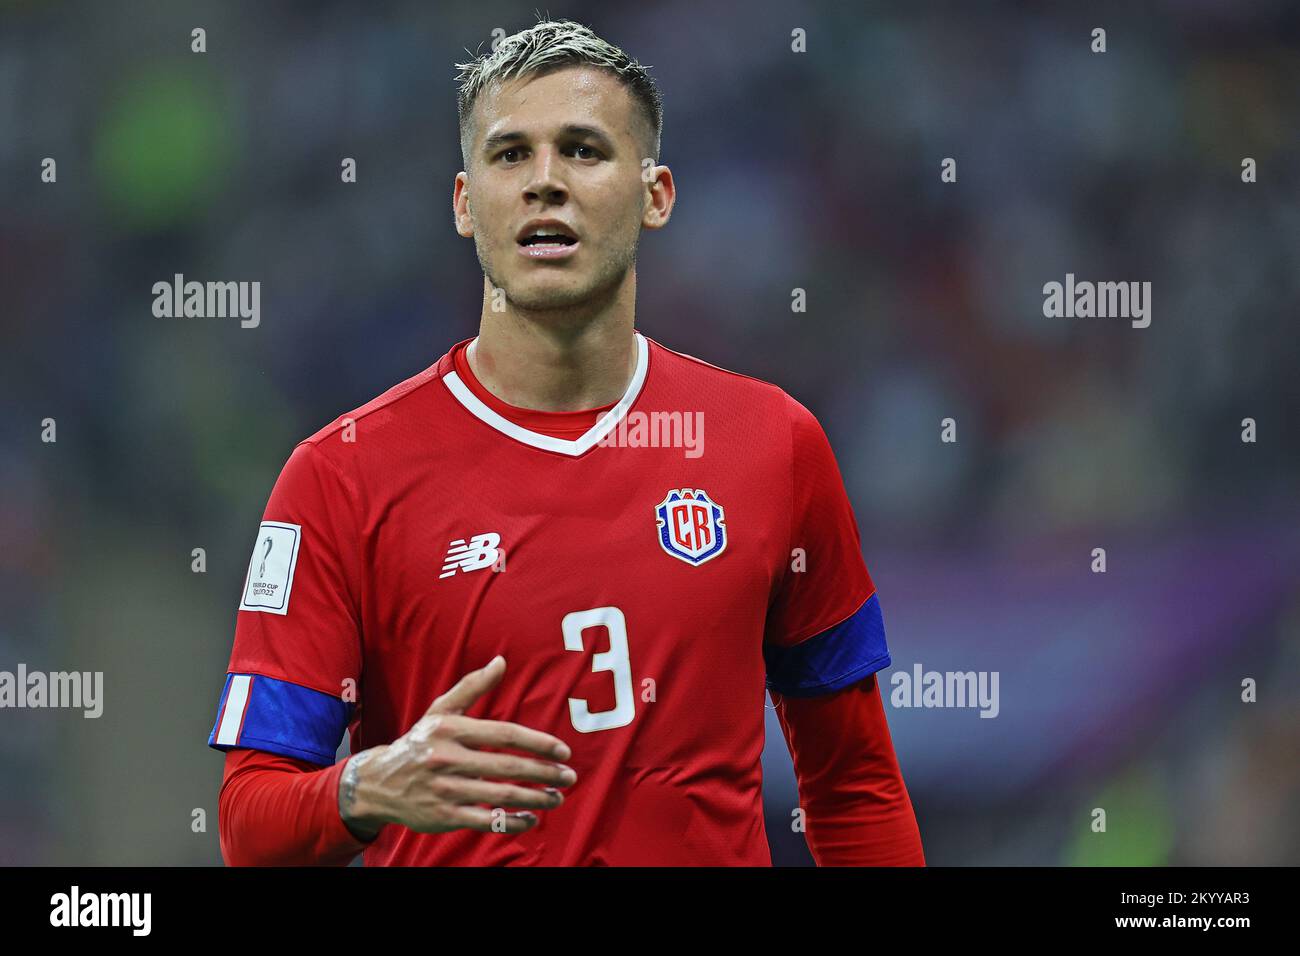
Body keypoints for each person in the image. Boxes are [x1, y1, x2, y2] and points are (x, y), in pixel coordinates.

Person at [208, 17, 924, 866]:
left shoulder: (773, 445)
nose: (545, 182)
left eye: (584, 149)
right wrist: (363, 789)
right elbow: (248, 823)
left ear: (655, 195)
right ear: (465, 204)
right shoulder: (339, 477)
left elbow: (854, 784)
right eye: (511, 155)